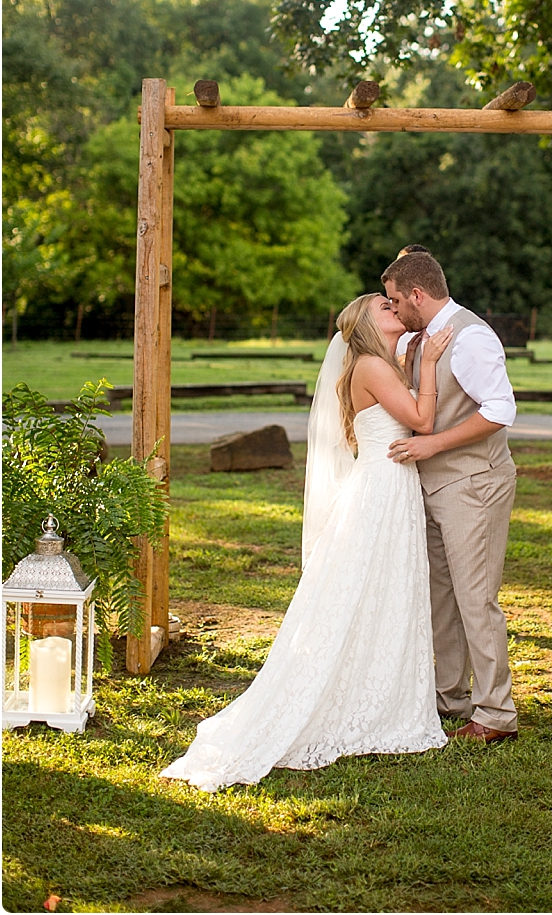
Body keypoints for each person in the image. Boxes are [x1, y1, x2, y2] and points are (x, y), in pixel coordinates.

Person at [160, 293, 453, 792]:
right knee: (362, 594)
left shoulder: (381, 364)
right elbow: (422, 423)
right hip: (381, 493)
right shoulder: (370, 367)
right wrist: (425, 362)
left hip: (390, 488)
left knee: (384, 595)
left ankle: (377, 694)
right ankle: (352, 702)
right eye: (385, 307)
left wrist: (410, 359)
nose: (395, 311)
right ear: (366, 324)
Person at [381, 252, 518, 744]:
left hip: (473, 485)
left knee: (476, 600)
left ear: (418, 294)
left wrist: (431, 445)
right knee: (441, 598)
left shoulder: (472, 336)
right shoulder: (420, 340)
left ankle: (496, 714)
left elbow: (502, 409)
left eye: (397, 301)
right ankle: (450, 699)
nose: (394, 310)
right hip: (433, 487)